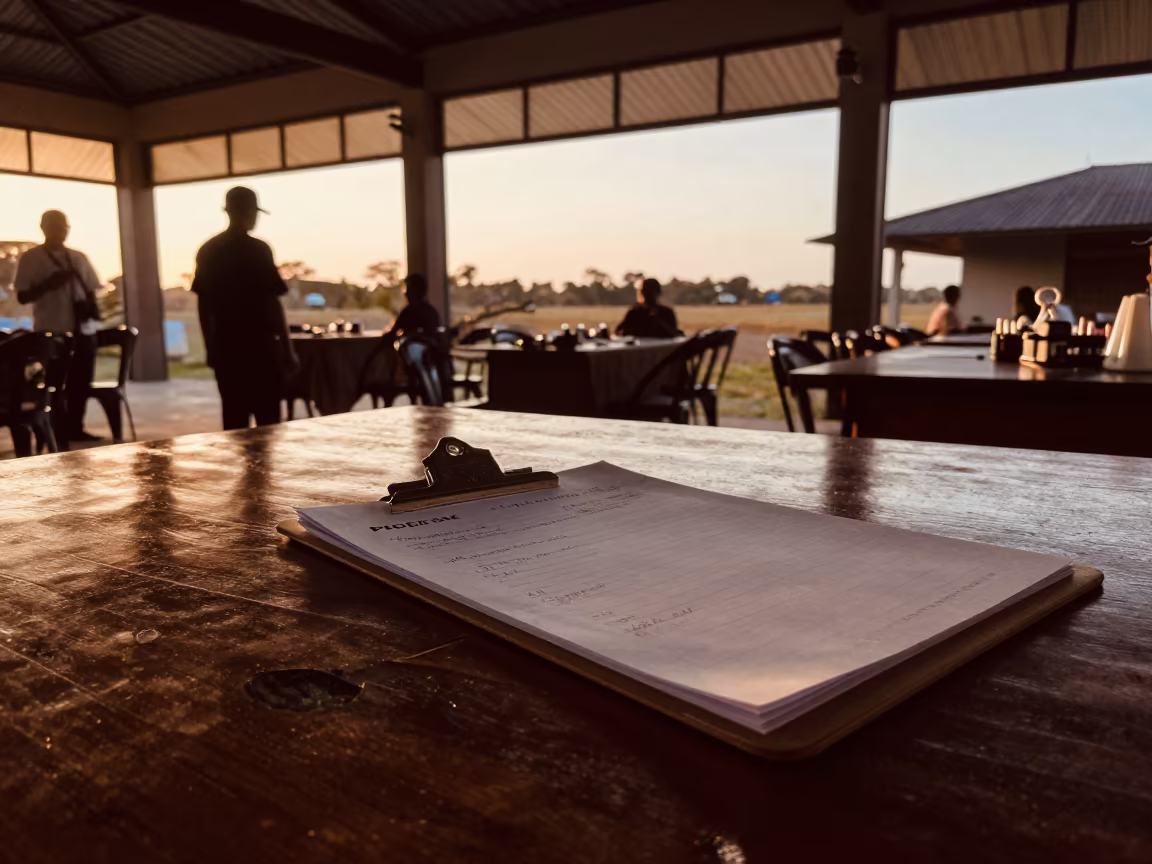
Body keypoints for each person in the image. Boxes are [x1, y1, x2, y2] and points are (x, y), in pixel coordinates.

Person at [192, 186, 298, 431]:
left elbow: (203, 305)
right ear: (248, 212)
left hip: (227, 348)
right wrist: (287, 348)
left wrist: (210, 347)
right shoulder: (259, 250)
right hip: (261, 348)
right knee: (268, 425)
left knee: (234, 423)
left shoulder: (209, 250)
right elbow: (272, 303)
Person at [14, 210, 103, 444]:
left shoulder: (78, 257)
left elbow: (92, 289)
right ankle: (55, 430)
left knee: (81, 383)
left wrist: (90, 309)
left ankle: (76, 427)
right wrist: (49, 285)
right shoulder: (31, 258)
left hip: (82, 330)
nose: (60, 232)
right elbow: (23, 296)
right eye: (55, 227)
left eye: (64, 227)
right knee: (53, 384)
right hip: (51, 331)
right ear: (43, 228)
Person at [615, 278, 682, 339]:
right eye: (647, 291)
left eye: (650, 291)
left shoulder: (666, 312)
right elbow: (620, 332)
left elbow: (674, 334)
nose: (649, 294)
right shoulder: (635, 312)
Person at [383, 274, 441, 340]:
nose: (405, 293)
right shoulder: (431, 312)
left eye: (407, 289)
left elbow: (393, 333)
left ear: (416, 290)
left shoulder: (408, 312)